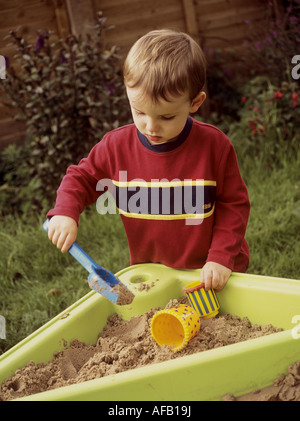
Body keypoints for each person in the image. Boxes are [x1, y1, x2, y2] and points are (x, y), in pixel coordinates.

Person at [46, 29, 250, 292]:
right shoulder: (115, 147)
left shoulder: (214, 147)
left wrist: (221, 258)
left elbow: (234, 204)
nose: (150, 127)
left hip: (212, 273)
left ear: (195, 102)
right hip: (155, 276)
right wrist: (65, 212)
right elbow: (81, 178)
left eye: (166, 117)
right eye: (139, 111)